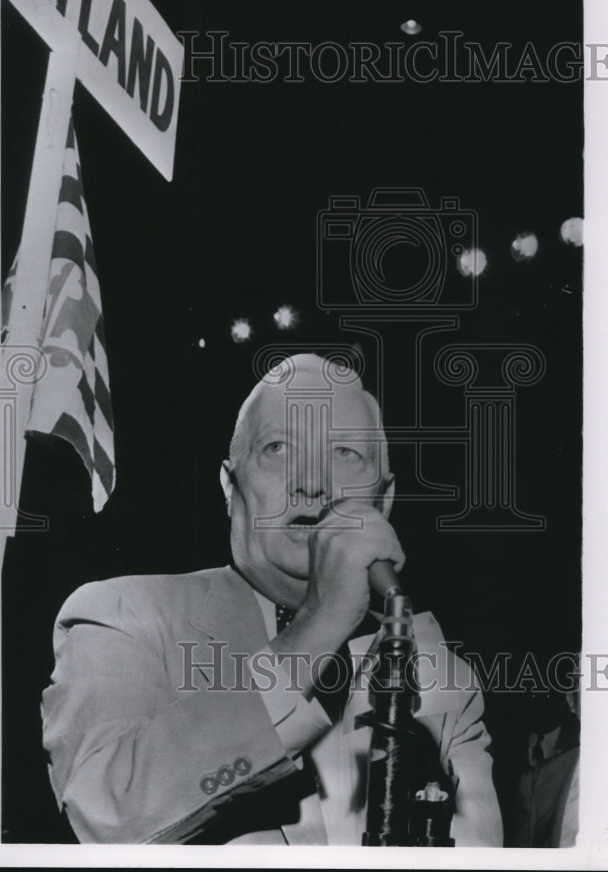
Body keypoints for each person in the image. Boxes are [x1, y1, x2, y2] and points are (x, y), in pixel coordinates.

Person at [41, 353, 503, 845]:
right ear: (230, 487)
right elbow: (106, 818)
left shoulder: (441, 674)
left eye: (345, 452)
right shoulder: (125, 617)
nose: (312, 484)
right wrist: (320, 623)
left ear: (384, 499)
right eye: (278, 447)